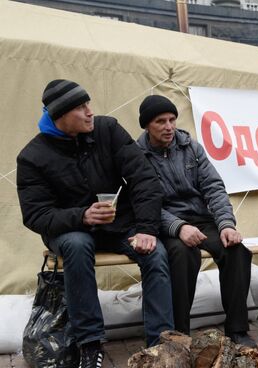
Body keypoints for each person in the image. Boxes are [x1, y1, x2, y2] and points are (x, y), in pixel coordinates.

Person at [16, 80, 174, 367]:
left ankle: (160, 345)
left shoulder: (107, 129)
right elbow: (36, 214)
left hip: (119, 225)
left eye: (88, 104)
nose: (90, 112)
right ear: (61, 115)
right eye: (81, 107)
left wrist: (147, 229)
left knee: (156, 252)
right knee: (77, 245)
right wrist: (81, 216)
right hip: (69, 229)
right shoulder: (32, 157)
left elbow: (144, 178)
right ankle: (89, 343)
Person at [136, 95, 256, 347]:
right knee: (182, 254)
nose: (169, 126)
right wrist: (178, 227)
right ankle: (180, 334)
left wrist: (226, 224)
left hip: (202, 218)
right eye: (160, 121)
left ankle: (237, 329)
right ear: (147, 125)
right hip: (167, 223)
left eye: (172, 119)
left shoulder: (191, 146)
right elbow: (143, 204)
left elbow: (214, 187)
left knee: (236, 251)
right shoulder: (138, 156)